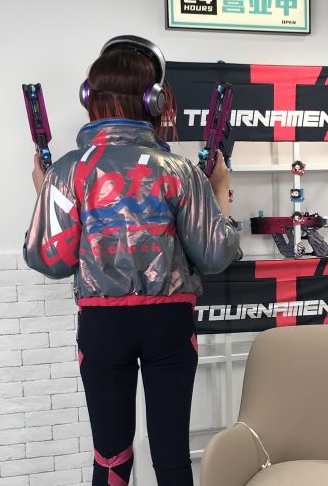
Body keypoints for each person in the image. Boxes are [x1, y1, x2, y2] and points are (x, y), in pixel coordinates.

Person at [23, 35, 241, 486]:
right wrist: (220, 189)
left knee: (110, 458)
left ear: (90, 97)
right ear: (154, 100)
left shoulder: (67, 170)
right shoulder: (180, 171)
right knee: (172, 458)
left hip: (102, 326)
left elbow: (51, 260)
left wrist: (45, 193)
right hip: (169, 324)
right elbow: (215, 255)